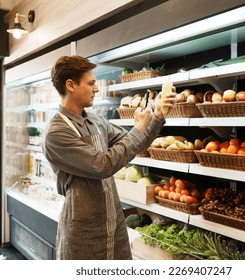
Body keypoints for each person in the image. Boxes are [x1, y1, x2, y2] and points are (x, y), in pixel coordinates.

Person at [42, 55, 175, 260]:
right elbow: (102, 165)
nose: (96, 89)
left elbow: (134, 145)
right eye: (91, 83)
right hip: (83, 230)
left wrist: (157, 115)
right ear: (70, 85)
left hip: (113, 221)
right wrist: (138, 127)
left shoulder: (95, 120)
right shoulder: (56, 132)